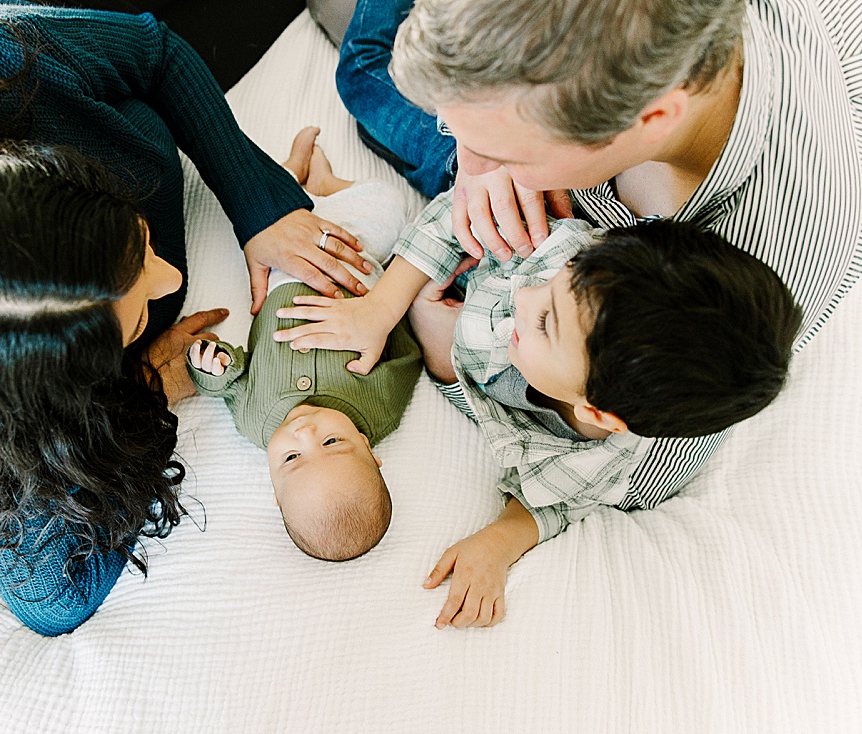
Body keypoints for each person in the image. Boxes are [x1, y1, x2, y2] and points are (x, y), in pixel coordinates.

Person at [0, 0, 371, 636]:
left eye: (136, 240)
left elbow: (157, 53)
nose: (174, 281)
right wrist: (149, 387)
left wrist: (259, 204)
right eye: (133, 321)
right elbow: (50, 599)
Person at [330, 0, 862, 571]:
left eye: (505, 151)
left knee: (363, 70)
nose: (474, 158)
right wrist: (481, 143)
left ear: (651, 119)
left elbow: (638, 457)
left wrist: (450, 352)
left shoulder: (747, 271)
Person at [274, 186, 802, 627]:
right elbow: (455, 214)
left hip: (451, 327)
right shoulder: (564, 259)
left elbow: (561, 500)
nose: (526, 295)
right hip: (460, 226)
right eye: (556, 281)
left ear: (595, 415)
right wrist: (384, 307)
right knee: (365, 79)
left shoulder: (598, 461)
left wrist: (500, 540)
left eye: (545, 322)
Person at [186, 128, 421, 561]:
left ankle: (293, 176)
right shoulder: (380, 408)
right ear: (371, 452)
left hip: (281, 277)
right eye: (333, 444)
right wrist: (386, 306)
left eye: (292, 457)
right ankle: (326, 184)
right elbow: (407, 357)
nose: (306, 433)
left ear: (274, 486)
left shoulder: (255, 422)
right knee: (391, 206)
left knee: (273, 212)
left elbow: (231, 380)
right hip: (354, 263)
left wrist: (210, 367)